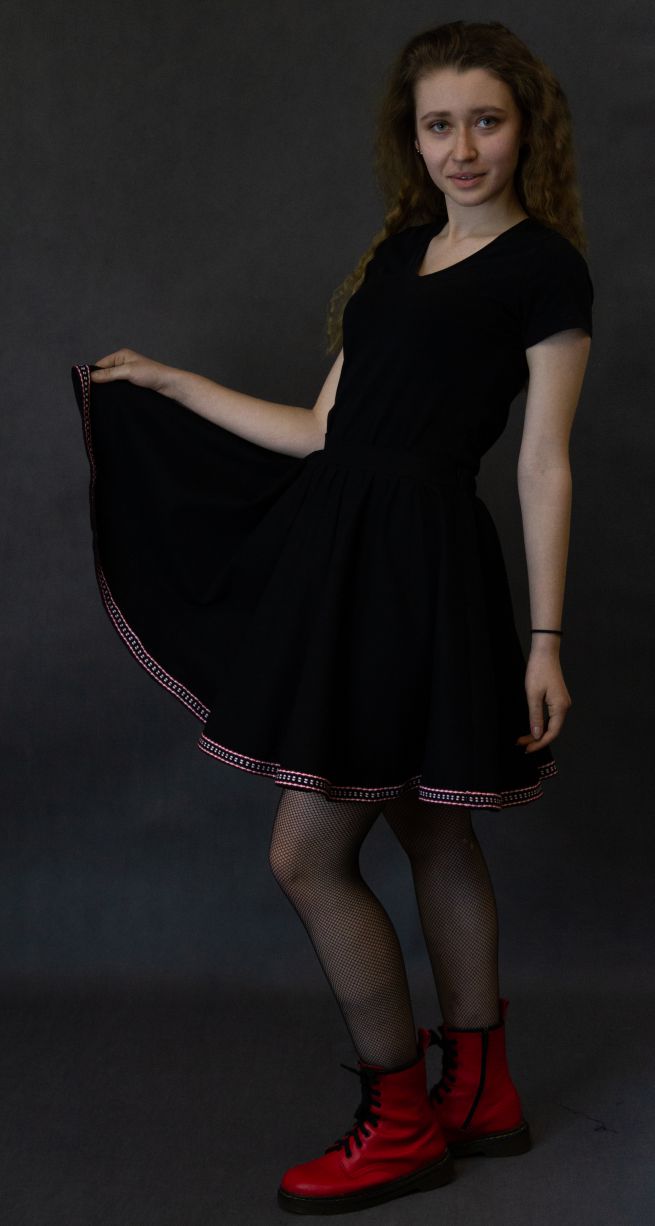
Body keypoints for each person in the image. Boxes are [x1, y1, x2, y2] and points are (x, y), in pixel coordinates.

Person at [71, 17, 594, 1217]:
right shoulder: (399, 253)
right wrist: (174, 381)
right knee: (429, 829)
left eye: (486, 120)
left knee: (308, 854)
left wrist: (546, 641)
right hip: (343, 556)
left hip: (419, 566)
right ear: (412, 137)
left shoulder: (544, 269)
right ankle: (483, 1093)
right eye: (438, 124)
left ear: (526, 128)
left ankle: (402, 1120)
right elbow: (320, 430)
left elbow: (543, 462)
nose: (462, 147)